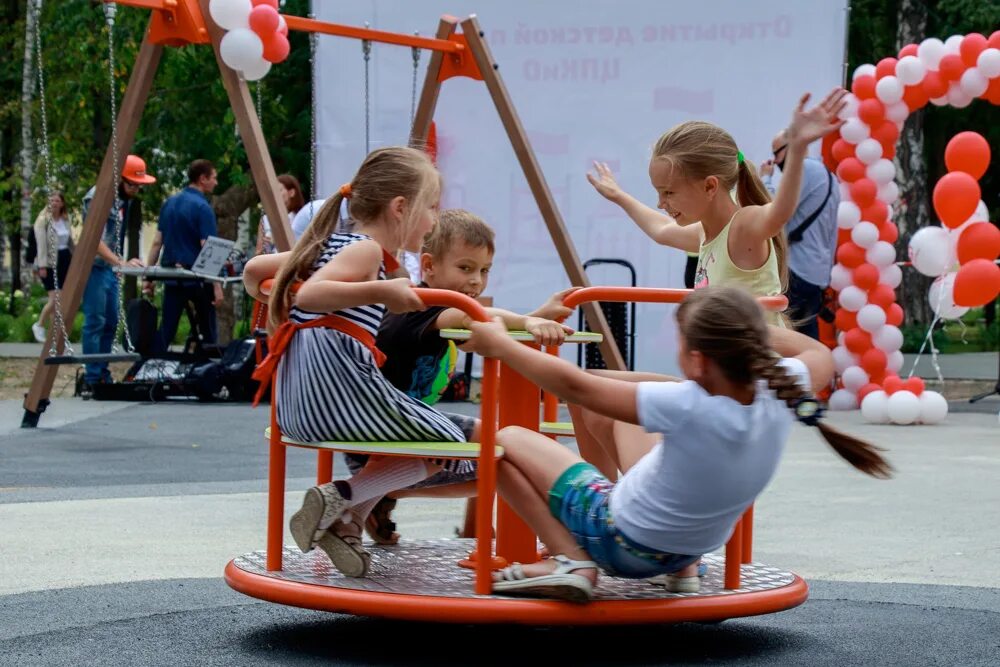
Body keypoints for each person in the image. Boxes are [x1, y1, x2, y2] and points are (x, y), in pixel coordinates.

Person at [461, 286, 891, 602]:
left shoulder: (687, 403)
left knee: (505, 441)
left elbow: (577, 387)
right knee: (613, 404)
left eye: (681, 343)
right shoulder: (783, 391)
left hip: (616, 540)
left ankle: (570, 559)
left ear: (699, 360)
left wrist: (501, 345)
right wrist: (742, 328)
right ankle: (682, 571)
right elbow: (817, 351)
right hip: (686, 551)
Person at [243, 146, 484, 578]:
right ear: (400, 208)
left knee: (438, 440)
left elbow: (253, 270)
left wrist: (275, 291)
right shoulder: (367, 251)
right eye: (431, 207)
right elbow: (315, 295)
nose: (433, 220)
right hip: (342, 396)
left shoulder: (329, 247)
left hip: (298, 404)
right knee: (452, 441)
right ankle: (342, 494)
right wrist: (381, 292)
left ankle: (347, 521)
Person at [359, 209, 576, 544]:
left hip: (404, 433)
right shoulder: (420, 308)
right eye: (466, 268)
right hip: (380, 442)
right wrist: (530, 321)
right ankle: (369, 493)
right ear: (429, 266)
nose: (477, 280)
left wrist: (533, 317)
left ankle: (381, 498)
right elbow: (480, 316)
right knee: (501, 454)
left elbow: (485, 325)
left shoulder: (439, 312)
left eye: (485, 270)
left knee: (497, 450)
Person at [586, 88, 848, 326]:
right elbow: (661, 229)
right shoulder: (705, 232)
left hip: (751, 375)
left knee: (585, 379)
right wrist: (618, 195)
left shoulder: (743, 227)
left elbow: (780, 212)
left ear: (710, 187)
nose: (660, 203)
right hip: (722, 372)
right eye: (658, 192)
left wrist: (799, 147)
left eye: (669, 192)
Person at [80, 154, 154, 393]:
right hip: (95, 267)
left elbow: (115, 238)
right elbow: (94, 240)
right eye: (132, 184)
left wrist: (121, 263)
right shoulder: (97, 199)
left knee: (111, 321)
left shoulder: (123, 201)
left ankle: (102, 371)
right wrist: (119, 261)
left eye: (139, 185)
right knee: (96, 321)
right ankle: (92, 377)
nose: (135, 189)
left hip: (110, 268)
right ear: (119, 179)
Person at [759, 130, 840, 339]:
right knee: (805, 339)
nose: (775, 161)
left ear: (793, 147)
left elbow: (774, 208)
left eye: (777, 153)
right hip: (816, 274)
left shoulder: (806, 169)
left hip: (797, 269)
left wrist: (765, 179)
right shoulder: (830, 177)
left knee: (782, 337)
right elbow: (831, 234)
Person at [144, 159, 221, 351]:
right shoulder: (203, 208)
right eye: (214, 178)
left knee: (166, 329)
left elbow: (156, 242)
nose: (216, 182)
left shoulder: (169, 203)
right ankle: (208, 370)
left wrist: (149, 276)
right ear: (203, 179)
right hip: (197, 278)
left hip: (171, 276)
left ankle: (151, 368)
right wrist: (217, 285)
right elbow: (208, 248)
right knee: (208, 331)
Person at [32, 191, 75, 343]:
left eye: (57, 201)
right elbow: (41, 244)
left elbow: (69, 241)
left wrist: (75, 256)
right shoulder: (42, 220)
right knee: (55, 298)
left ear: (62, 203)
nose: (54, 203)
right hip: (50, 262)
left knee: (61, 298)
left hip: (65, 259)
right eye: (52, 200)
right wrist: (42, 266)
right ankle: (39, 324)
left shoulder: (64, 219)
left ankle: (53, 334)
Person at [259, 173, 305, 254]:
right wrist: (265, 247)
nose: (274, 195)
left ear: (291, 193)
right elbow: (257, 253)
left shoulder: (302, 217)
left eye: (278, 190)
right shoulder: (266, 219)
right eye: (272, 191)